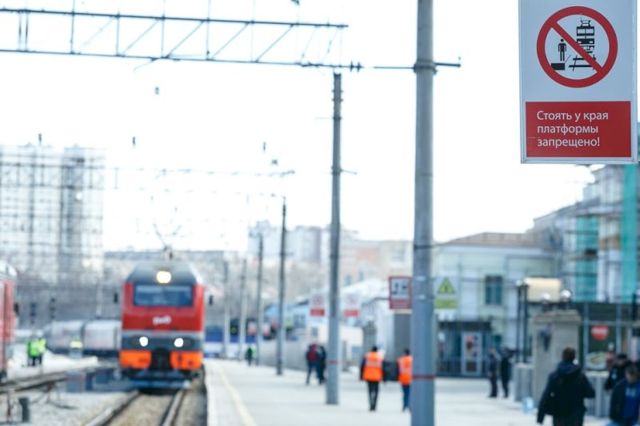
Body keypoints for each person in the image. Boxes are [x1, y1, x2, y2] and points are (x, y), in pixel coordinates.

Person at [537, 347, 595, 426]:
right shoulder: (580, 376)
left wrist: (540, 417)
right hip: (576, 415)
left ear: (562, 357)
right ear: (574, 357)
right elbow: (591, 393)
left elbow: (546, 395)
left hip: (559, 414)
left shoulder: (555, 376)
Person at [360, 346, 384, 411]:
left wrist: (361, 376)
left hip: (368, 376)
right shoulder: (380, 357)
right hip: (377, 377)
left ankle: (371, 404)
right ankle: (374, 406)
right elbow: (384, 368)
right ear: (377, 350)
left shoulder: (367, 356)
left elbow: (362, 366)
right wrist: (384, 378)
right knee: (376, 392)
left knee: (370, 391)